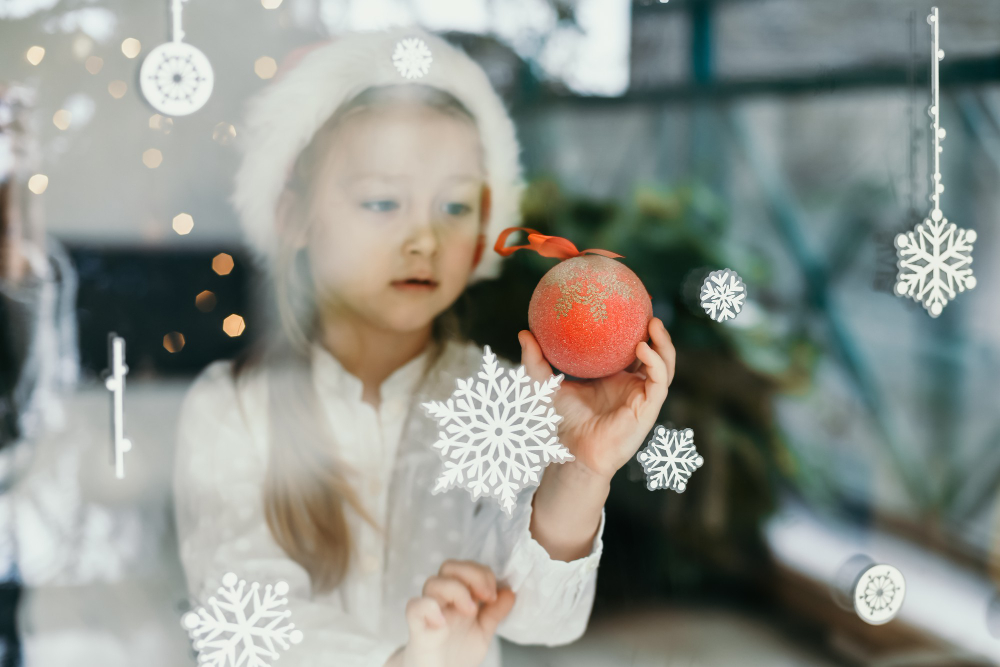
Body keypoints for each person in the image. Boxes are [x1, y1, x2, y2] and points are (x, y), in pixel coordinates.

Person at [173, 26, 676, 667]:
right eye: (382, 200)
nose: (424, 238)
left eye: (456, 207)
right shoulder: (231, 410)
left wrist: (582, 470)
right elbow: (240, 625)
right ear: (292, 218)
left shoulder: (504, 398)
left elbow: (544, 619)